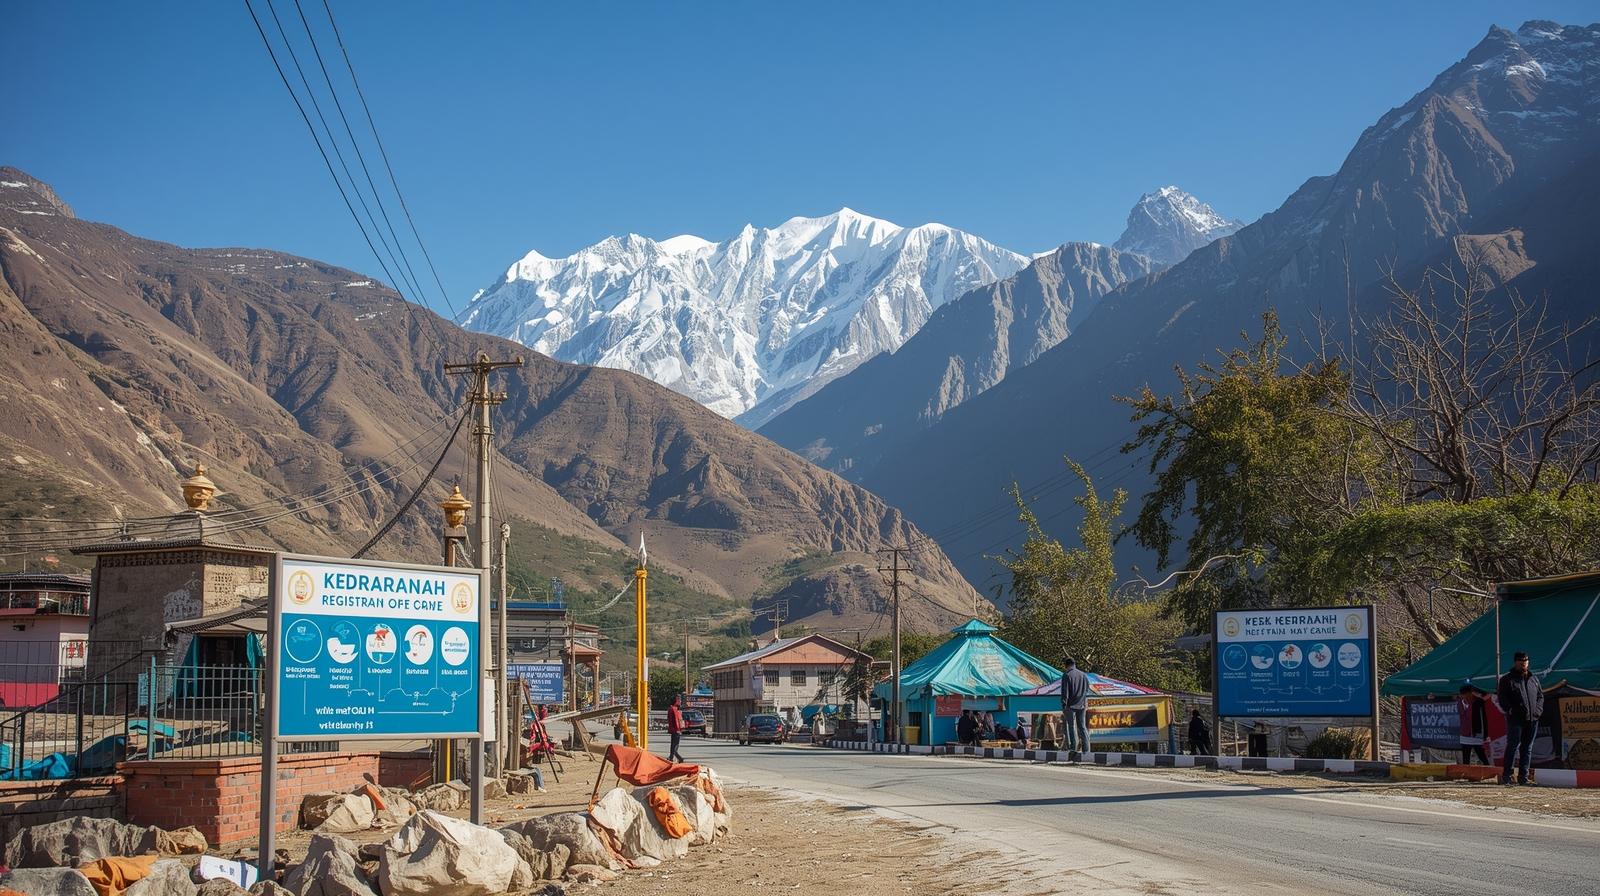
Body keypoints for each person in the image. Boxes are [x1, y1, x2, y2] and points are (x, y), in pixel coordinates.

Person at [1496, 651, 1544, 785]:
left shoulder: (1533, 678)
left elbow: (1540, 696)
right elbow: (1502, 698)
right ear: (1515, 662)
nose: (1524, 663)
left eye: (1526, 661)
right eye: (1521, 661)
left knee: (1527, 748)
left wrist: (1538, 711)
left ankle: (1523, 777)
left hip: (1532, 719)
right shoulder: (1507, 679)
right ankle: (1507, 775)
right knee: (1512, 746)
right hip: (1515, 719)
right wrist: (1510, 710)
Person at [1060, 657, 1091, 754]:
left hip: (1070, 705)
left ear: (1066, 665)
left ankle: (1073, 748)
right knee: (1082, 726)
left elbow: (1065, 692)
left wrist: (1064, 704)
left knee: (1071, 726)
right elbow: (1087, 689)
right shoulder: (1083, 675)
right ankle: (1086, 749)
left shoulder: (1067, 675)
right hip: (1082, 704)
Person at [1457, 684, 1489, 766]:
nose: (1464, 697)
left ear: (1471, 693)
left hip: (1476, 733)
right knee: (1466, 758)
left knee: (1481, 754)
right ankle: (1466, 773)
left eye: (1466, 695)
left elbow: (1484, 718)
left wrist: (1485, 734)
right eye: (1462, 696)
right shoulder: (1460, 702)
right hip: (1464, 734)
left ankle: (1489, 769)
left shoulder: (1479, 702)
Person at [666, 694, 686, 763]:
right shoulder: (673, 709)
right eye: (679, 700)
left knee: (675, 744)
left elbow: (679, 720)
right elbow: (674, 720)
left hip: (677, 730)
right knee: (675, 744)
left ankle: (672, 757)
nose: (680, 701)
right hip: (676, 730)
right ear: (676, 701)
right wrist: (677, 729)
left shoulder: (677, 709)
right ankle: (676, 757)